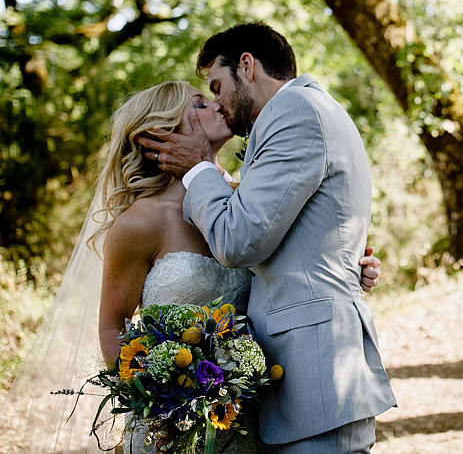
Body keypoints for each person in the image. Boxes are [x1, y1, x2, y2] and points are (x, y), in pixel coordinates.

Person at [0, 81, 381, 453]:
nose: (217, 104)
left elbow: (293, 265)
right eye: (199, 104)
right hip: (170, 426)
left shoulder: (246, 204)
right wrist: (157, 396)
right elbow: (112, 325)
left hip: (249, 415)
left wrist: (349, 264)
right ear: (162, 136)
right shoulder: (140, 223)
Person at [140, 23, 396, 453]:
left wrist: (199, 166)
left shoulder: (293, 111)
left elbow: (239, 241)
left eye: (217, 86)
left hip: (317, 376)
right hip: (297, 378)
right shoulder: (310, 108)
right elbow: (282, 223)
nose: (219, 104)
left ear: (247, 66)